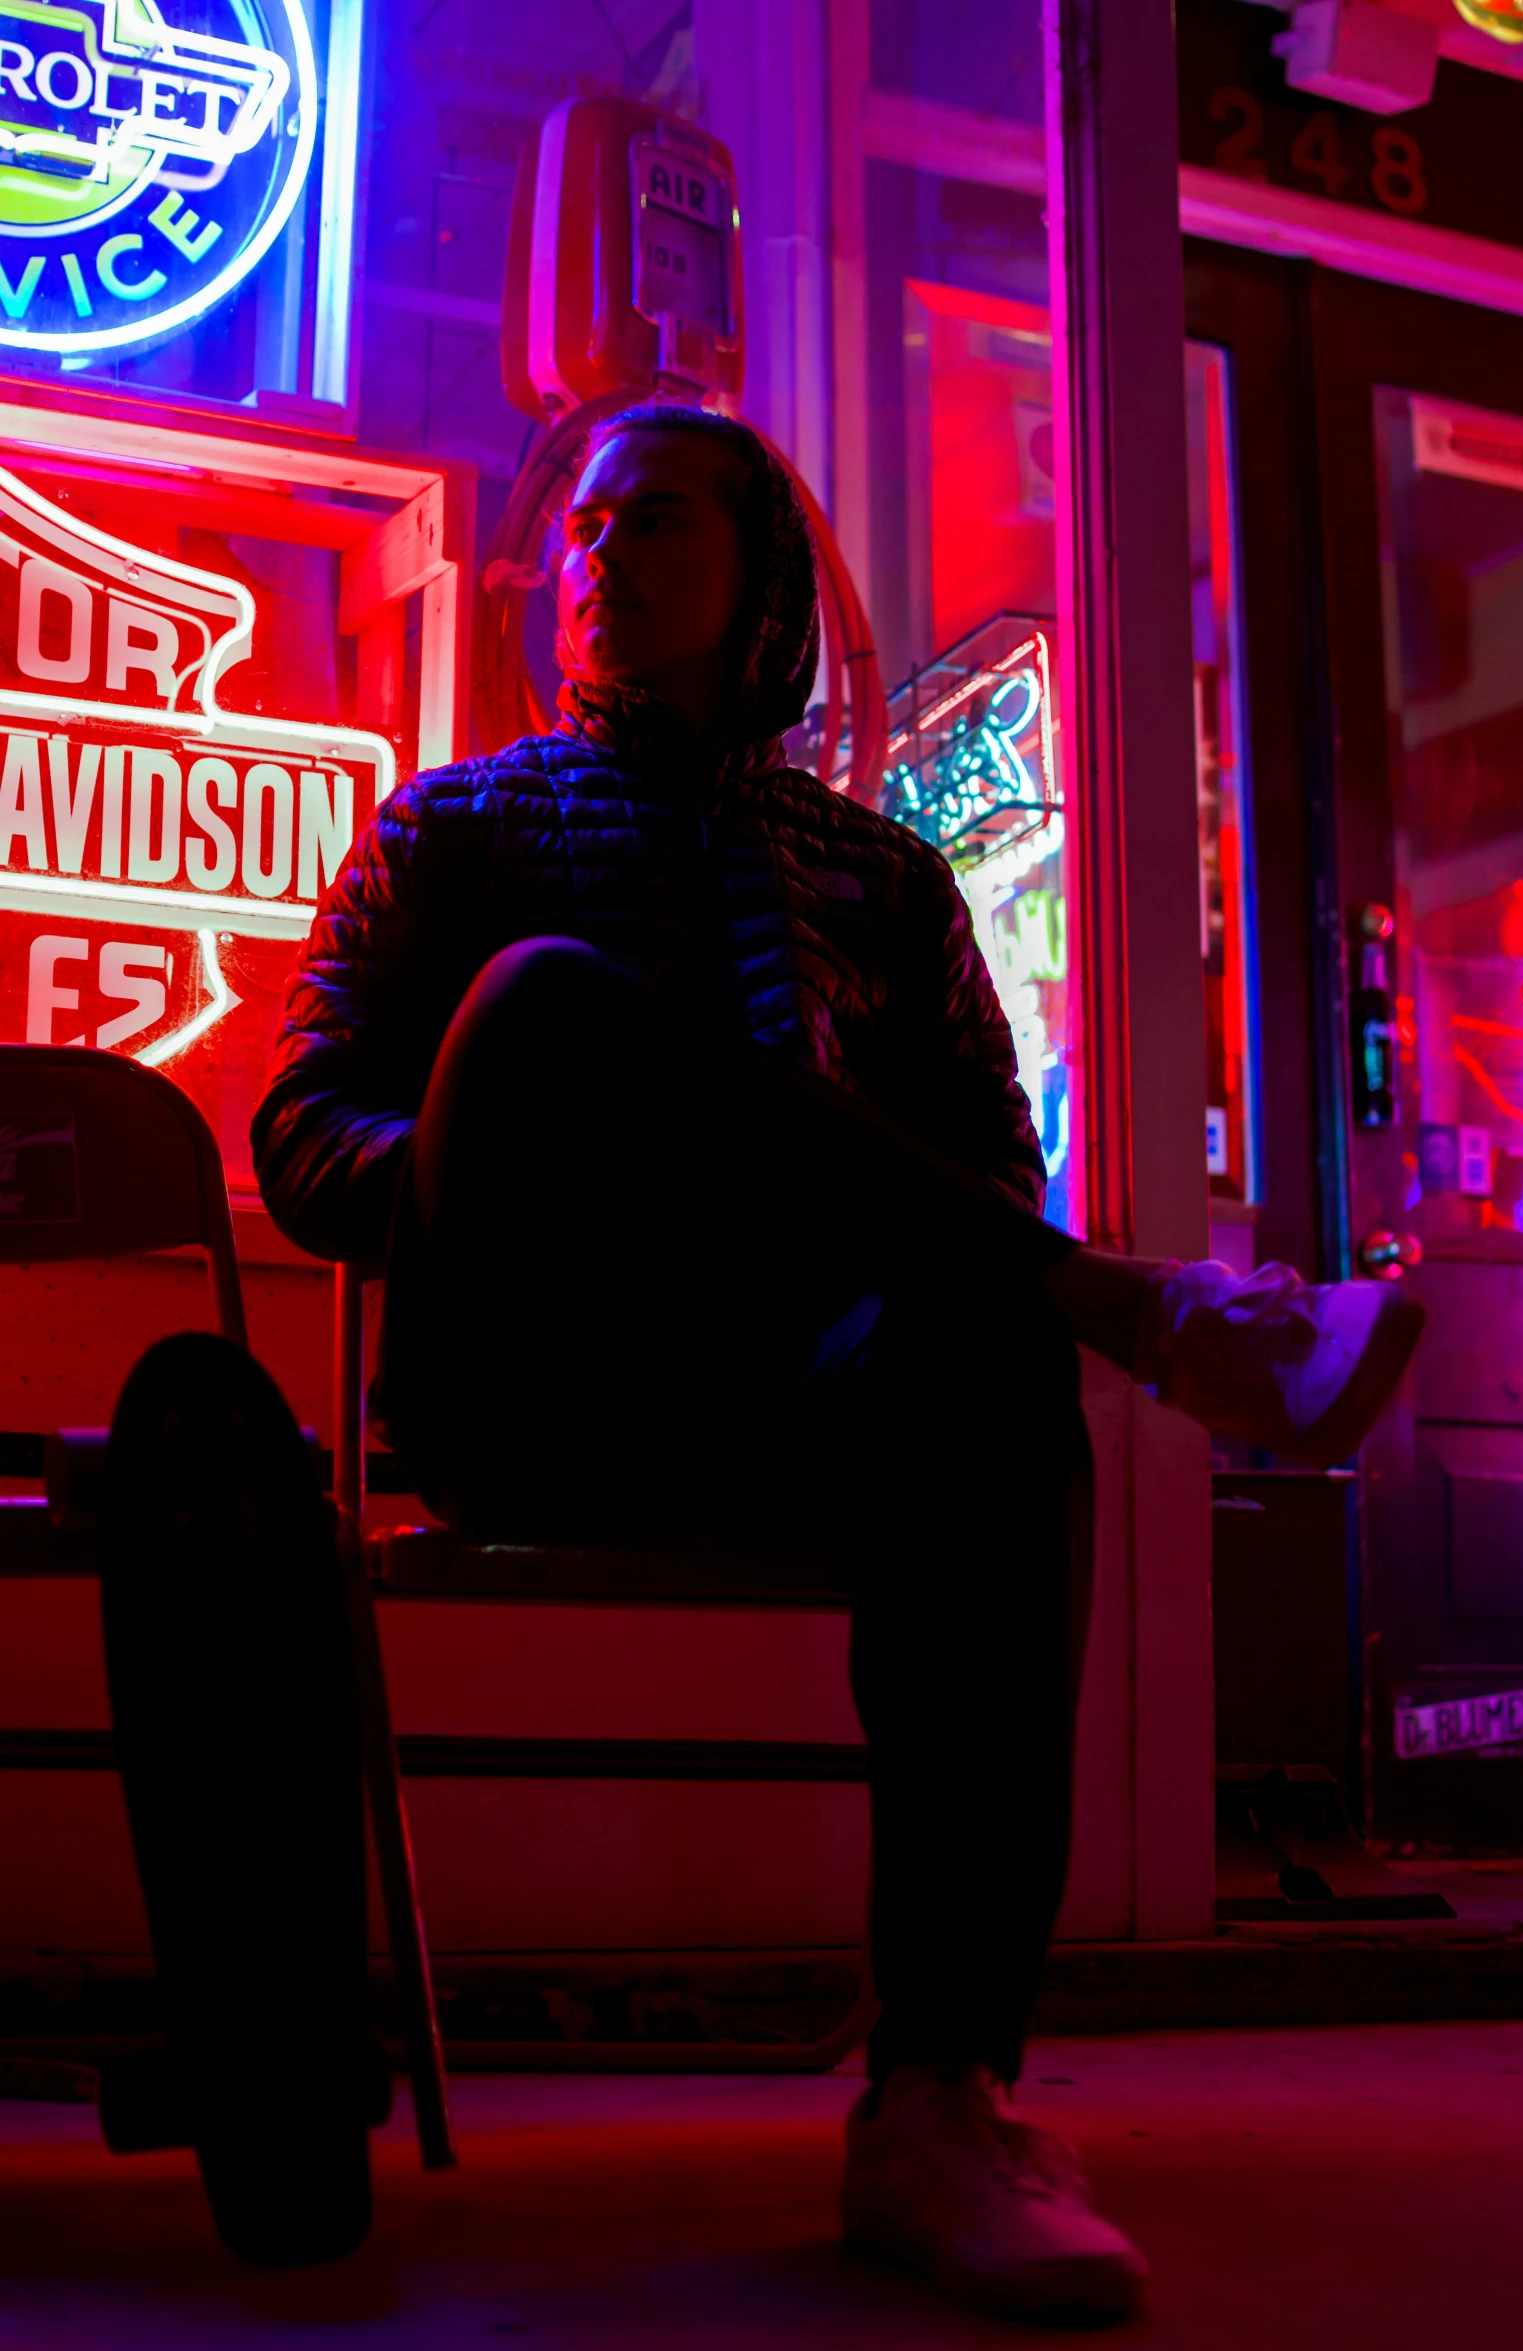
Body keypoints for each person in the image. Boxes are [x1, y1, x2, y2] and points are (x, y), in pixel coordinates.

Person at [251, 403, 1422, 2323]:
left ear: (766, 578)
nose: (596, 552)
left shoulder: (881, 877)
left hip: (799, 1386)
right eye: (584, 526)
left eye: (655, 520)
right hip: (535, 1383)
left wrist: (806, 1207)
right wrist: (518, 1170)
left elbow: (982, 1179)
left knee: (983, 1357)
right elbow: (308, 1136)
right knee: (546, 1006)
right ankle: (1165, 1316)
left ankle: (939, 2098)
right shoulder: (449, 828)